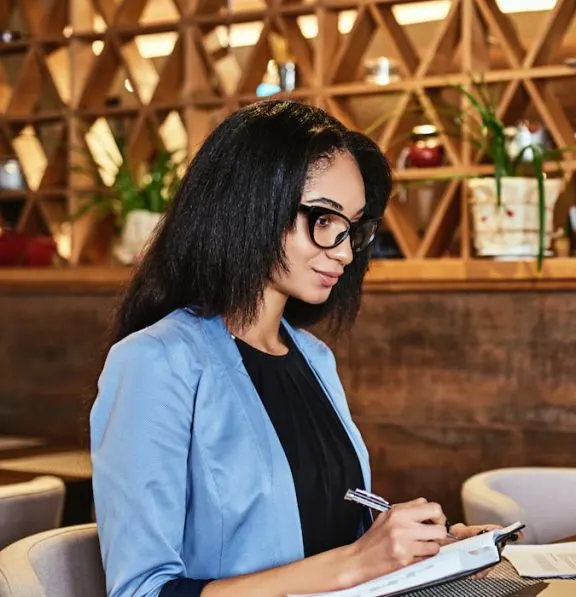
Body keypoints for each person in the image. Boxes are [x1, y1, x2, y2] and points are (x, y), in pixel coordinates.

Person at [90, 100, 498, 597]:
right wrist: (356, 561)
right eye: (324, 220)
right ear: (250, 204)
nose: (346, 251)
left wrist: (421, 553)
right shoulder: (155, 362)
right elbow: (141, 591)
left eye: (353, 227)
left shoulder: (314, 358)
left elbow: (322, 540)